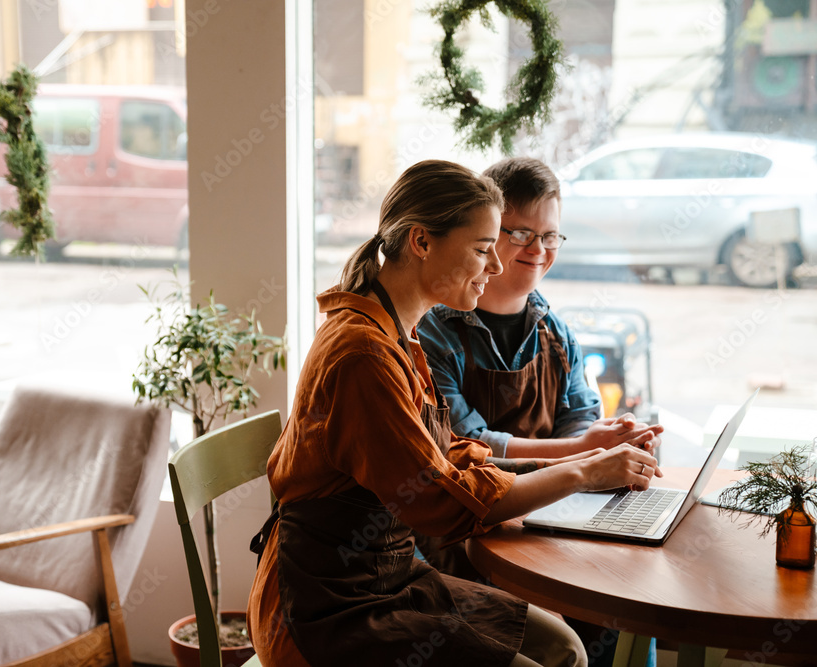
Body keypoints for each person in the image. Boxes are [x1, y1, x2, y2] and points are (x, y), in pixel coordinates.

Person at [246, 159, 661, 667]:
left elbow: (452, 453)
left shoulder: (399, 333)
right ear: (422, 241)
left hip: (392, 581)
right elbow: (441, 506)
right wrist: (579, 470)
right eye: (484, 249)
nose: (495, 267)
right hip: (328, 607)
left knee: (565, 648)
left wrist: (575, 468)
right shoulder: (363, 355)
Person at [418, 157, 663, 460]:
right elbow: (463, 443)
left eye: (549, 237)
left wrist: (614, 439)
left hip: (557, 501)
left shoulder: (558, 335)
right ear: (487, 232)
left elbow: (578, 419)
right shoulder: (430, 335)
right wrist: (584, 449)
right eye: (521, 234)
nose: (538, 250)